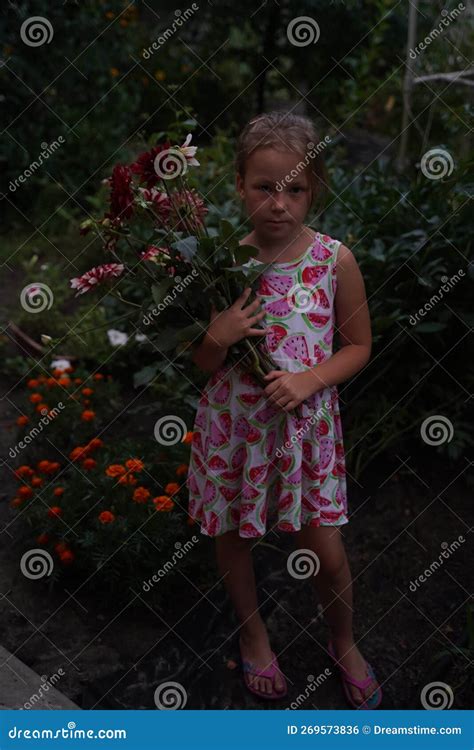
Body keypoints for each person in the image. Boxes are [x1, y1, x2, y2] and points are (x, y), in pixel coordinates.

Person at [187, 111, 381, 709]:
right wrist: (218, 335)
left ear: (313, 189)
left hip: (305, 434)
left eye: (294, 188)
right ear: (239, 185)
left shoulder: (332, 261)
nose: (279, 203)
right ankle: (254, 632)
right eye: (264, 187)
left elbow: (359, 345)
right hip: (234, 432)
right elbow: (200, 364)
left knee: (325, 549)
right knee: (234, 537)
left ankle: (343, 640)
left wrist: (308, 379)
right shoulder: (220, 264)